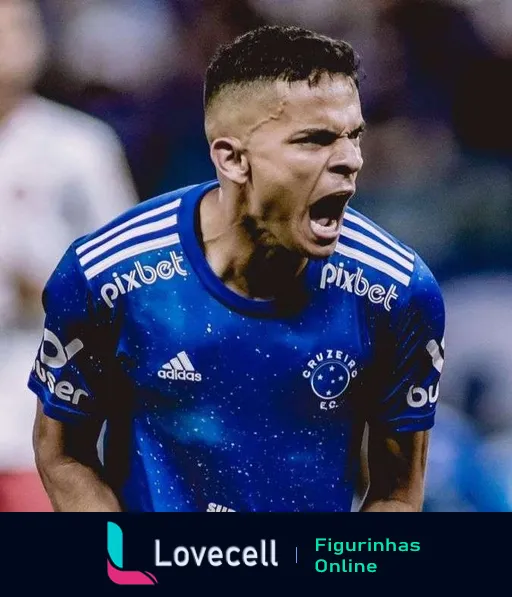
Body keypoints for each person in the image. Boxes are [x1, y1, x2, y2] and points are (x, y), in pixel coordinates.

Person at [29, 25, 445, 512]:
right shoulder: (106, 276)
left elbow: (397, 491)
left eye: (355, 135)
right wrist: (128, 570)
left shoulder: (396, 291)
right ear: (232, 159)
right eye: (315, 140)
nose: (350, 160)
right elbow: (63, 454)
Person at [0, 0, 137, 511]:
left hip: (36, 406)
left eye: (17, 27)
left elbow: (128, 282)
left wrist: (46, 291)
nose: (8, 42)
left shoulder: (79, 147)